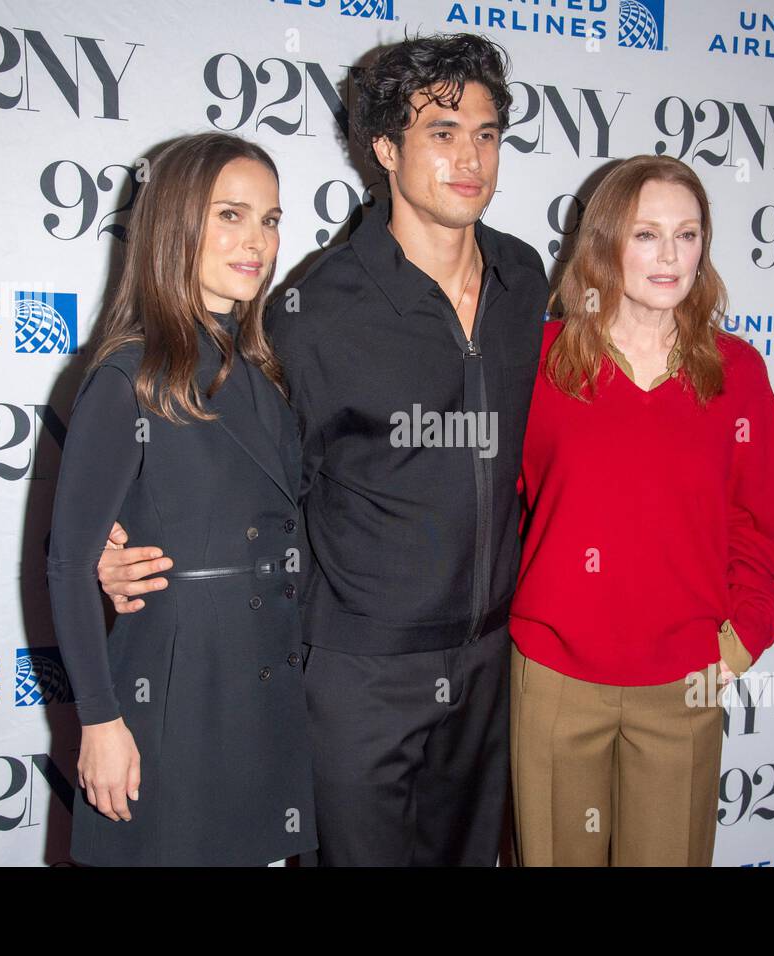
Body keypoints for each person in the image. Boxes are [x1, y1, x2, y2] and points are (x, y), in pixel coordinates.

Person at [94, 34, 551, 865]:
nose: (470, 157)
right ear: (385, 148)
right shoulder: (312, 309)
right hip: (357, 674)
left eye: (486, 134)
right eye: (442, 133)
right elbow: (233, 467)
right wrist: (116, 549)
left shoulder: (527, 282)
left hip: (492, 663)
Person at [508, 155, 774, 866]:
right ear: (605, 243)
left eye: (688, 233)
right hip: (555, 677)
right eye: (646, 234)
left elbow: (761, 523)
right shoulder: (536, 364)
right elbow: (485, 507)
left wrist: (739, 640)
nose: (670, 255)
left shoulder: (737, 372)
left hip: (686, 680)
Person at [45, 132, 316, 866]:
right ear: (175, 222)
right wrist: (100, 722)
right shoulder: (127, 375)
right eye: (230, 215)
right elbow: (70, 567)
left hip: (261, 684)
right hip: (175, 690)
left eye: (269, 218)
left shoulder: (262, 373)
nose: (256, 240)